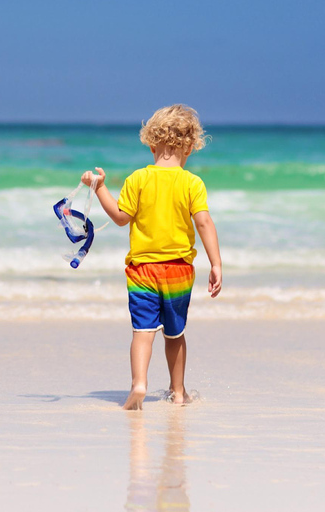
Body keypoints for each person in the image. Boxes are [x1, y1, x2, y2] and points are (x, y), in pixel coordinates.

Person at [81, 104, 222, 410]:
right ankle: (179, 392)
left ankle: (139, 384)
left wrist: (100, 187)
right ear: (189, 147)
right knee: (175, 334)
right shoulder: (192, 183)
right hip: (179, 272)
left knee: (142, 332)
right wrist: (216, 263)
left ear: (151, 143)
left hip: (142, 271)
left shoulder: (138, 179)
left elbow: (120, 217)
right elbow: (204, 222)